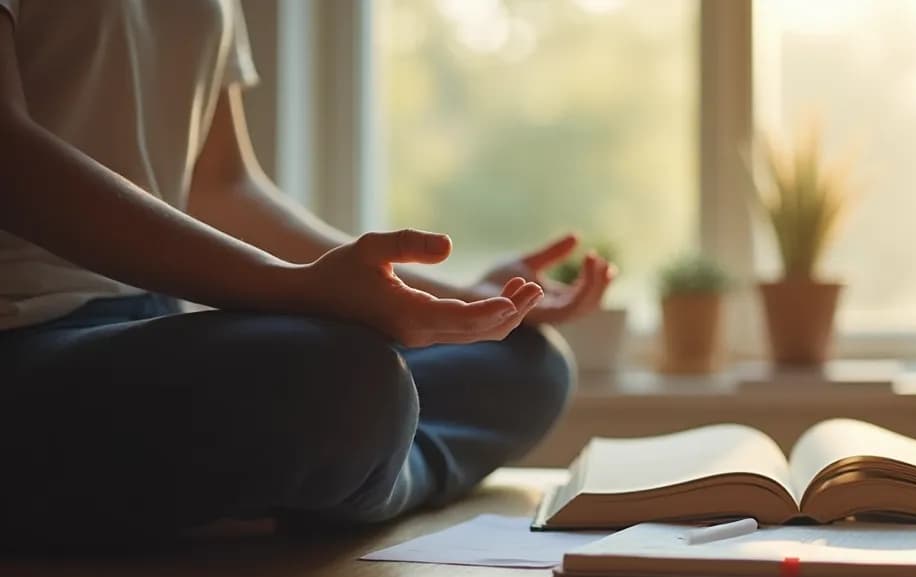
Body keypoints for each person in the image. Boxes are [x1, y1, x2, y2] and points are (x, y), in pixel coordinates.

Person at [0, 0, 615, 546]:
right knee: (347, 382)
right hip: (23, 340)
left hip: (148, 331)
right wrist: (291, 287)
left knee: (525, 363)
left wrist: (463, 301)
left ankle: (338, 485)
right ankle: (336, 484)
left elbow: (222, 185)